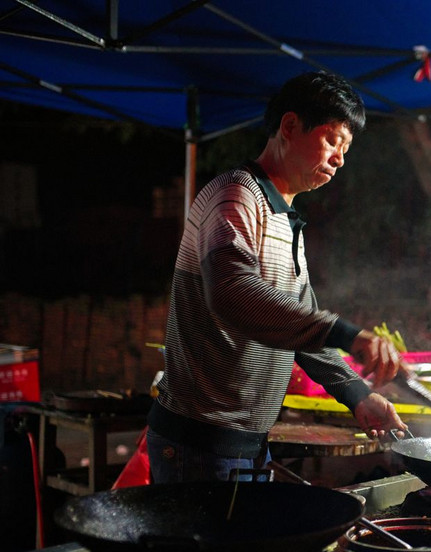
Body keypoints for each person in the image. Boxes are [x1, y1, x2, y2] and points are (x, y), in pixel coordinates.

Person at [146, 71, 407, 483]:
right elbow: (232, 292)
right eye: (331, 140)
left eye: (345, 148)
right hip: (200, 443)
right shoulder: (235, 196)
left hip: (245, 443)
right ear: (289, 127)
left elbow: (300, 329)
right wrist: (349, 334)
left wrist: (358, 396)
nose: (340, 158)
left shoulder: (285, 221)